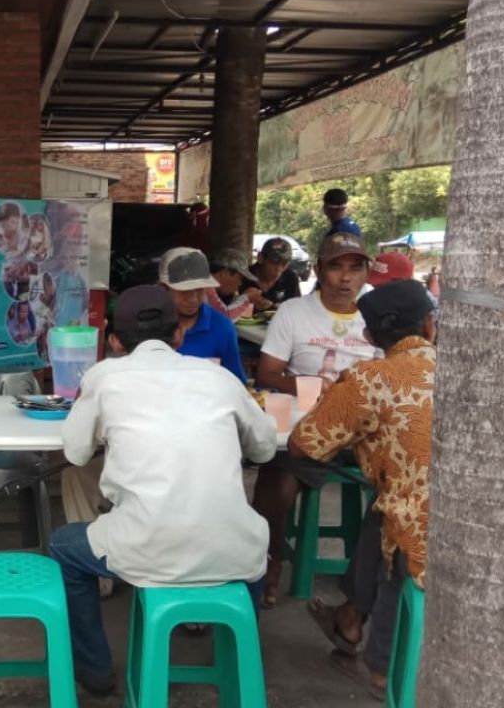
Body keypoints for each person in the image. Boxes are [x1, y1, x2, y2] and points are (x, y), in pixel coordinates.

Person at [49, 285, 277, 695]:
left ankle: (95, 670)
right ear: (178, 336)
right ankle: (240, 666)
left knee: (65, 547)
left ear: (114, 342)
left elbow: (77, 452)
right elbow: (263, 447)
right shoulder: (219, 378)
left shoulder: (103, 376)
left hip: (146, 546)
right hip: (232, 548)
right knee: (254, 547)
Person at [290, 280, 435, 700]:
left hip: (420, 532)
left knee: (396, 519)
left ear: (369, 337)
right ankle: (350, 616)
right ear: (429, 325)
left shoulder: (370, 379)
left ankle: (381, 671)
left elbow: (304, 444)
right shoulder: (466, 366)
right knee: (385, 508)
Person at [251, 232, 379, 605]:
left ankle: (363, 589)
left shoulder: (378, 316)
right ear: (320, 270)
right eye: (336, 267)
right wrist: (313, 387)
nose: (345, 278)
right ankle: (270, 560)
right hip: (307, 426)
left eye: (355, 268)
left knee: (396, 488)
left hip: (363, 432)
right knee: (276, 478)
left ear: (366, 273)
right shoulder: (294, 312)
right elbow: (267, 374)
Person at [157, 247, 245, 382]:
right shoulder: (148, 326)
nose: (193, 299)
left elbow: (237, 384)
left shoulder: (222, 328)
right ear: (163, 289)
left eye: (199, 290)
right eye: (184, 290)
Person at [370, 251, 440, 318]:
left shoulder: (418, 304)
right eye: (374, 284)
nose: (374, 287)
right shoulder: (392, 299)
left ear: (402, 282)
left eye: (380, 285)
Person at [242, 237, 302, 310]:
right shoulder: (243, 277)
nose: (279, 269)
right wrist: (244, 300)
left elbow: (296, 309)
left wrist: (273, 306)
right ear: (260, 258)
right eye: (274, 262)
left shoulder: (290, 278)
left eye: (284, 264)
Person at [207, 247, 262, 320]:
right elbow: (222, 318)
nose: (240, 284)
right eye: (240, 278)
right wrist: (246, 298)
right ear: (225, 273)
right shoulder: (205, 287)